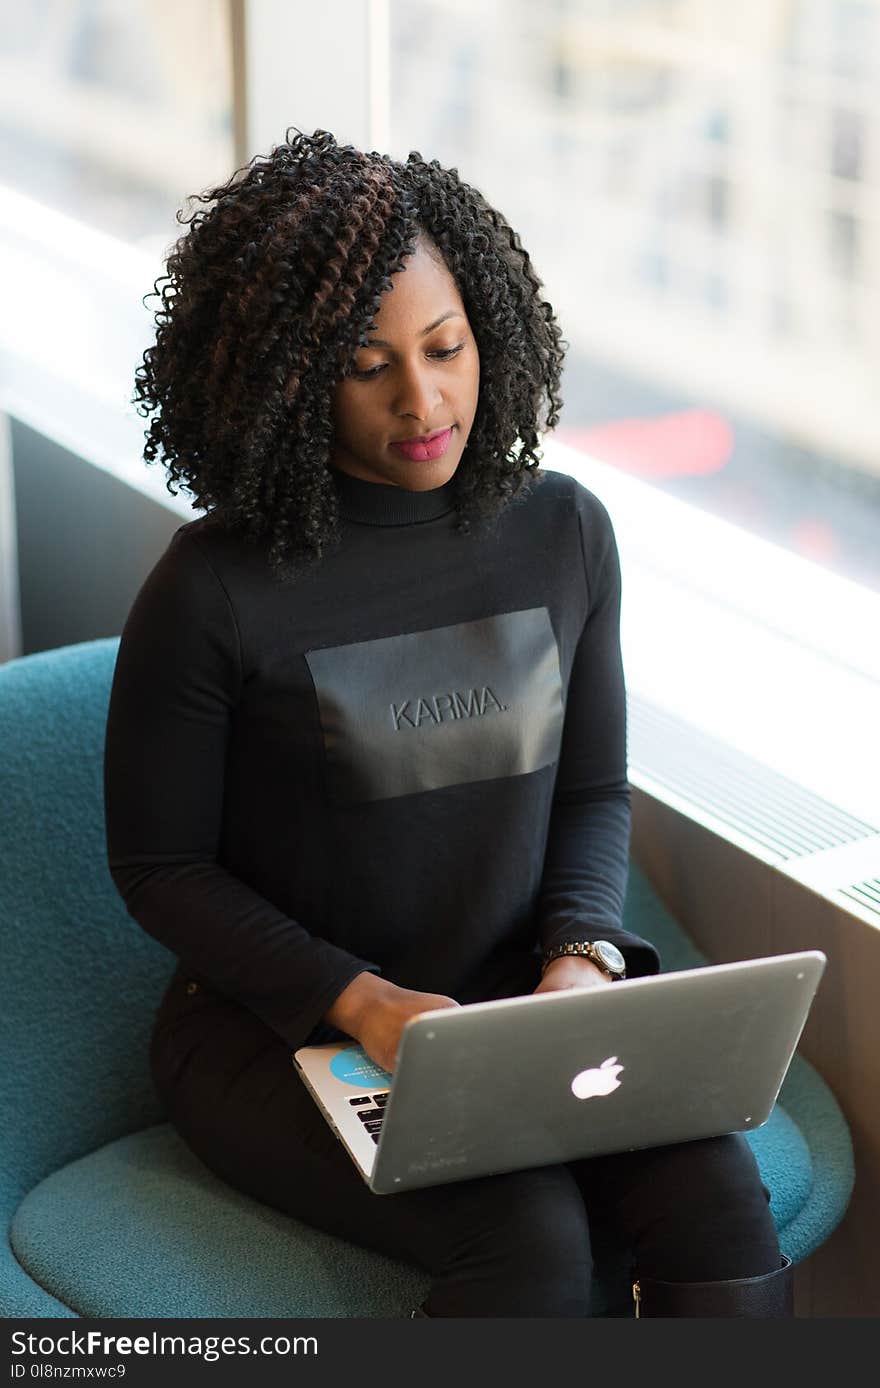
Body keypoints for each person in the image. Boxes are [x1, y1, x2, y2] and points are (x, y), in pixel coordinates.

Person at [104, 127, 792, 1318]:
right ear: (283, 381)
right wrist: (363, 1000)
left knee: (715, 1200)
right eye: (365, 365)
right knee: (529, 1242)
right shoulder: (212, 587)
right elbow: (161, 868)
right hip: (282, 1035)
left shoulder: (564, 532)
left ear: (490, 331)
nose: (422, 400)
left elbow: (588, 794)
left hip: (518, 1012)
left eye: (445, 347)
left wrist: (579, 958)